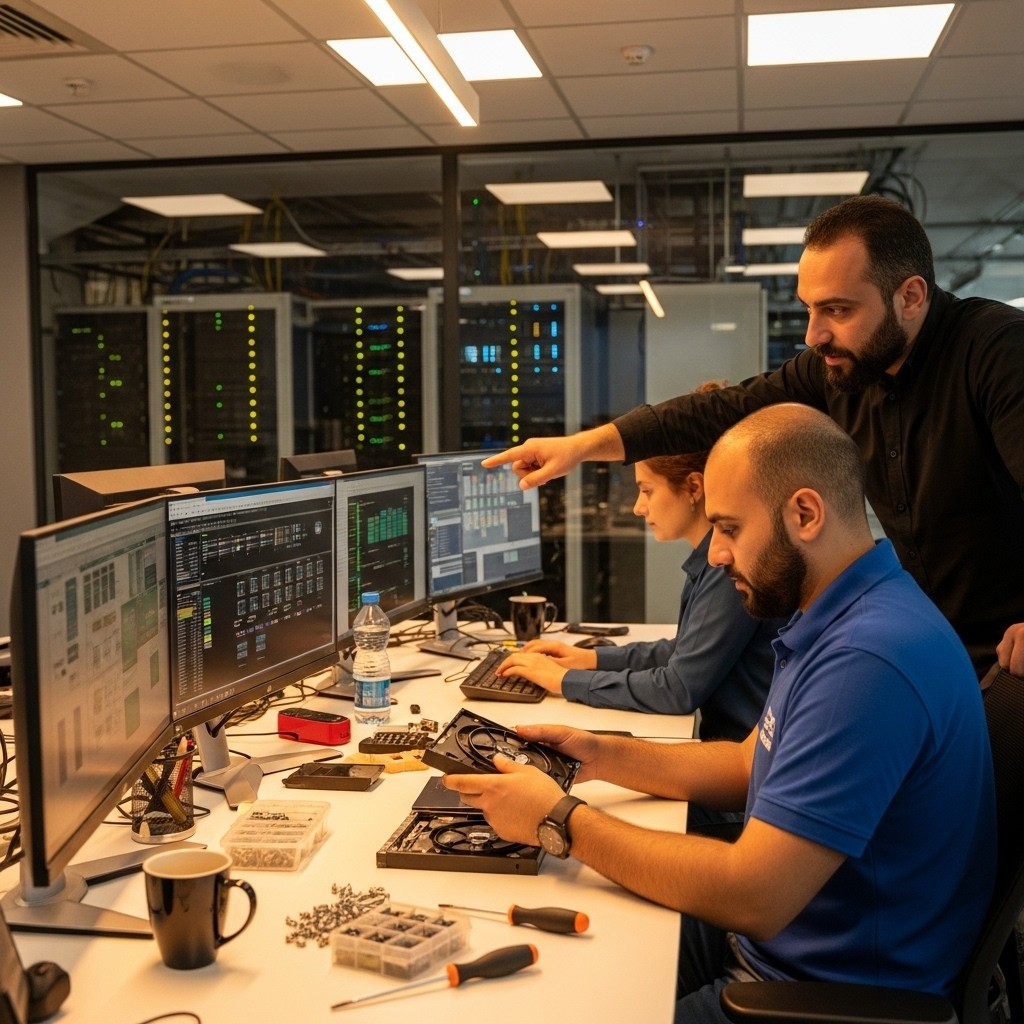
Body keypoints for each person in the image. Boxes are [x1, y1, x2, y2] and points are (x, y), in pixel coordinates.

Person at [448, 405, 996, 1024]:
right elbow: (749, 761)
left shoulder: (866, 660)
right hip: (784, 945)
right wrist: (599, 754)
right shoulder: (843, 610)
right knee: (553, 983)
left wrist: (559, 820)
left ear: (805, 515)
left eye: (730, 529)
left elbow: (754, 893)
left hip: (814, 993)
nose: (715, 555)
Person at [482, 195, 1024, 678]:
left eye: (838, 309)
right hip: (936, 650)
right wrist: (581, 446)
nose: (816, 335)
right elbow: (717, 411)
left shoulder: (996, 351)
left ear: (910, 297)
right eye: (811, 309)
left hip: (1011, 658)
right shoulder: (837, 370)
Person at [497, 437, 783, 741]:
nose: (637, 507)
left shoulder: (726, 570)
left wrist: (564, 680)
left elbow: (677, 690)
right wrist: (588, 659)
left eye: (647, 490)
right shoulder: (709, 561)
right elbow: (683, 651)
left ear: (694, 489)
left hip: (736, 763)